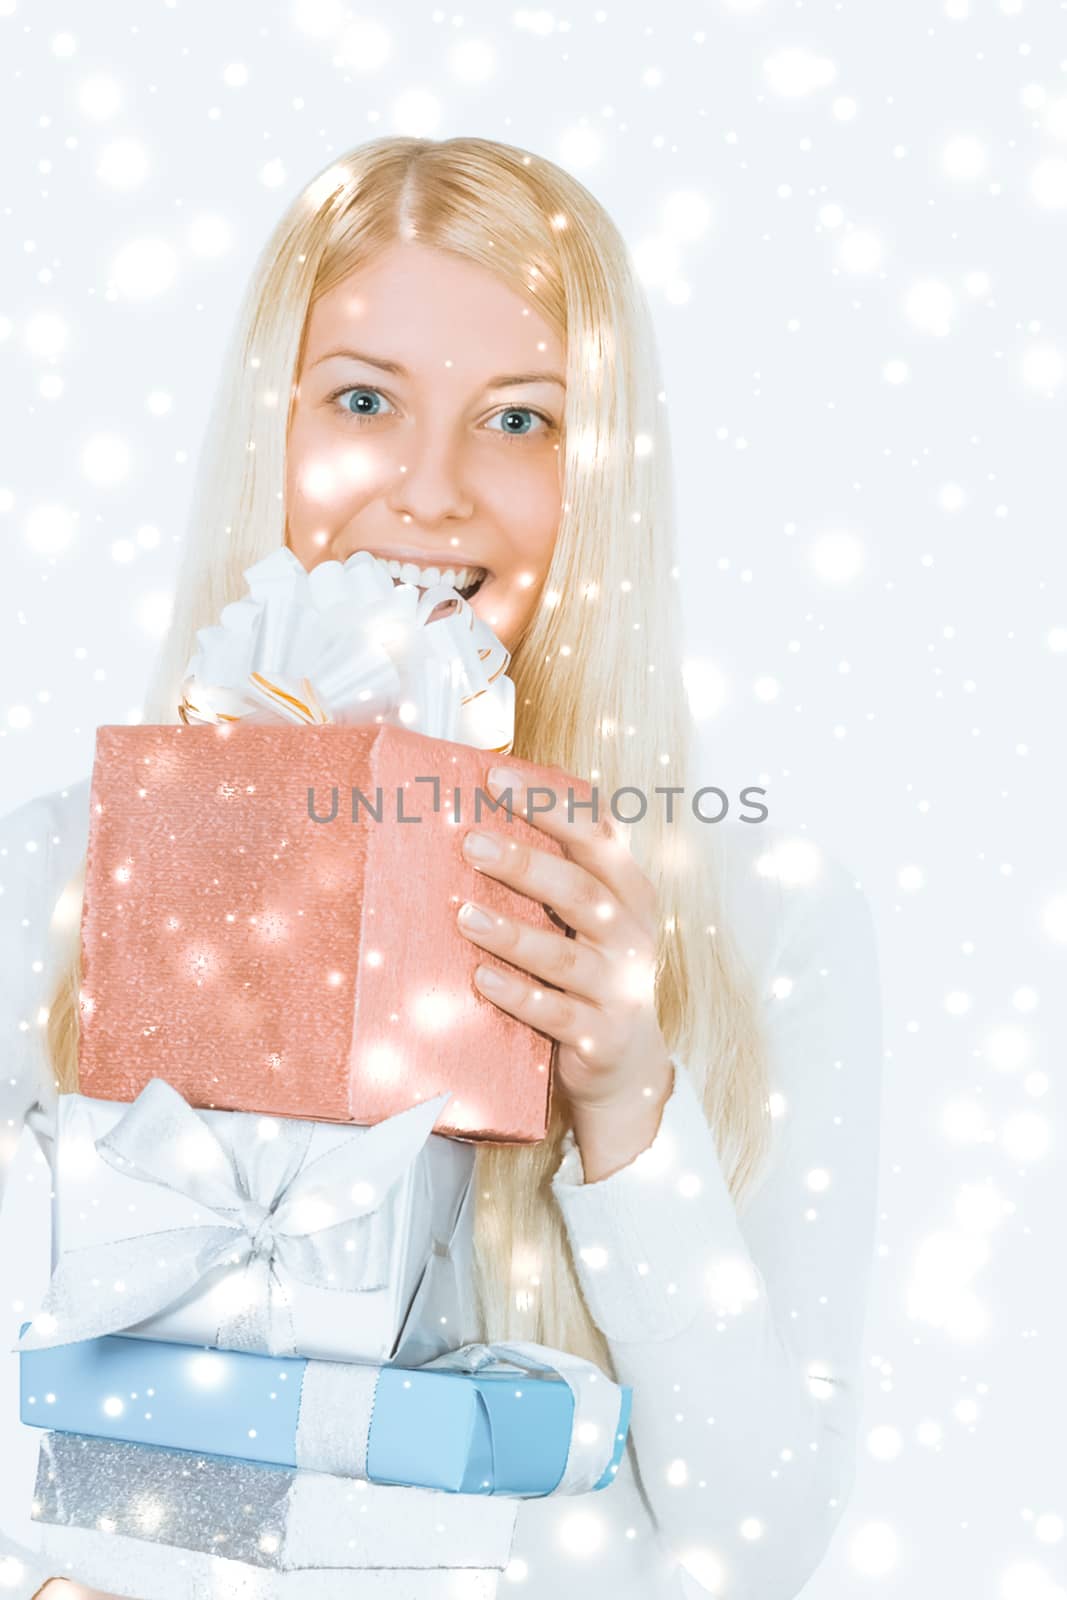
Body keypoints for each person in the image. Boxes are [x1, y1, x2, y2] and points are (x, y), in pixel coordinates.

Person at [0, 136, 883, 1600]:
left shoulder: (764, 914)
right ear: (269, 431)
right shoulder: (56, 871)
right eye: (362, 400)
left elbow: (759, 1547)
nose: (430, 490)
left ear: (608, 468)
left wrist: (626, 1107)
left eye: (522, 420)